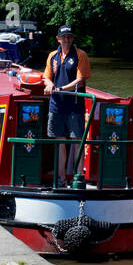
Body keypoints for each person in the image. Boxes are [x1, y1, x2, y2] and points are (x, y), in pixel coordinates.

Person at [43, 25, 91, 187]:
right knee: (59, 142)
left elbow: (81, 80)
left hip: (74, 105)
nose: (67, 40)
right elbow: (47, 77)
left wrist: (61, 89)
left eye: (70, 37)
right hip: (56, 105)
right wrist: (50, 85)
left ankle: (77, 178)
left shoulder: (80, 55)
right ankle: (61, 179)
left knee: (77, 141)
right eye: (64, 37)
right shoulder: (52, 56)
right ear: (58, 39)